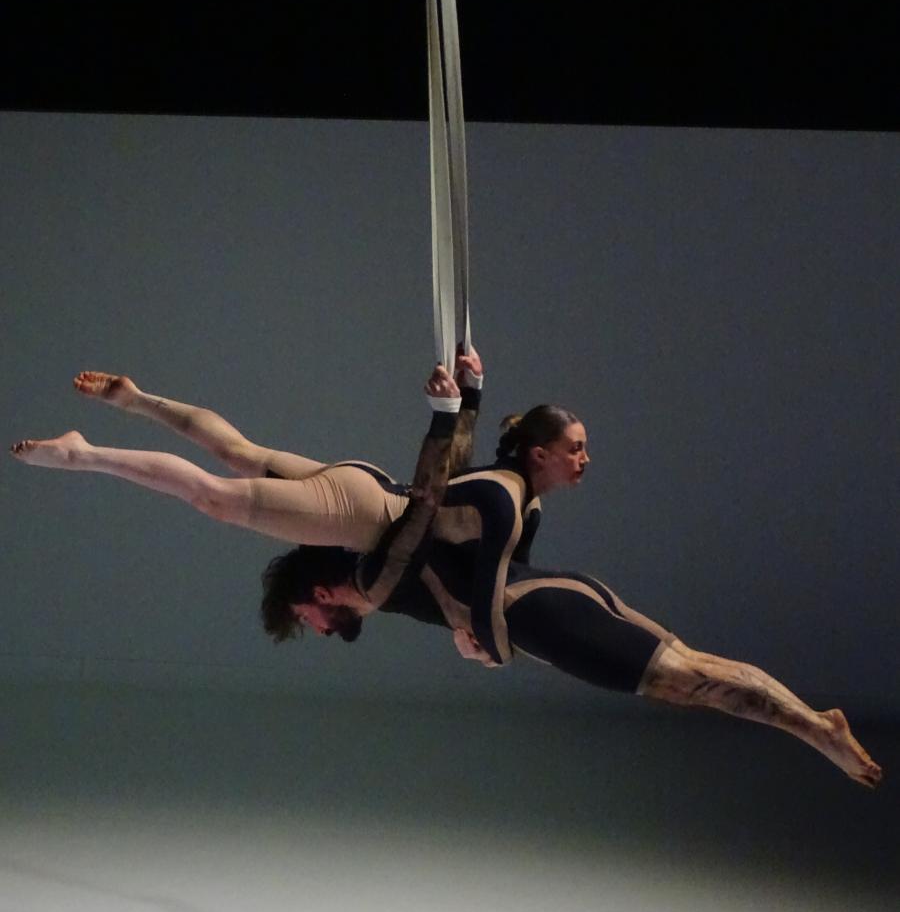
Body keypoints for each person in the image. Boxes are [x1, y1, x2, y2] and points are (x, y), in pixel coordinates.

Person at [260, 400, 884, 792]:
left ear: (316, 589)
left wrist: (490, 650)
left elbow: (434, 500)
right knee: (695, 669)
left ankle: (813, 727)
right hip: (563, 595)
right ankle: (814, 724)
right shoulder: (421, 546)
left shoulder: (381, 573)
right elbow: (447, 498)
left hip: (544, 618)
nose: (317, 627)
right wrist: (467, 397)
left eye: (305, 616)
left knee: (690, 683)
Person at [9, 351, 483, 552]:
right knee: (211, 496)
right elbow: (433, 500)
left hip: (369, 481)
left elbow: (449, 480)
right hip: (364, 516)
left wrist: (469, 397)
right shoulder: (491, 559)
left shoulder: (495, 508)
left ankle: (138, 401)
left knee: (237, 450)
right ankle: (82, 454)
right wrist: (457, 407)